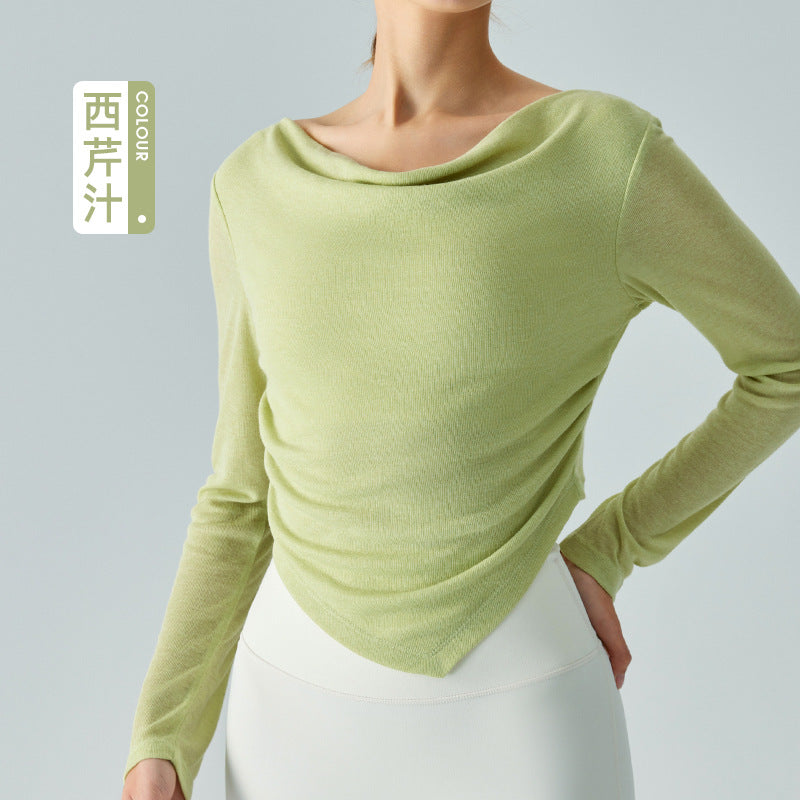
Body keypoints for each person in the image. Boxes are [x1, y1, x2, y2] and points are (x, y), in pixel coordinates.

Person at [121, 2, 800, 799]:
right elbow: (241, 493)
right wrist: (161, 738)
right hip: (289, 716)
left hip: (521, 707)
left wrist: (613, 544)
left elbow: (784, 362)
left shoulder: (601, 155)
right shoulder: (254, 186)